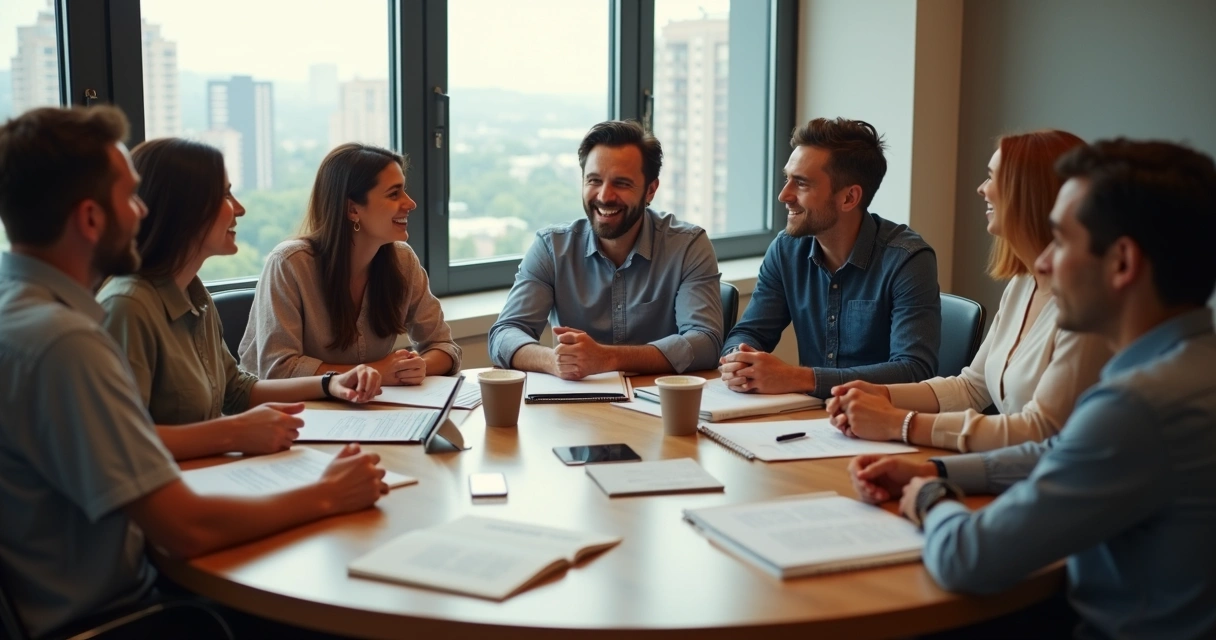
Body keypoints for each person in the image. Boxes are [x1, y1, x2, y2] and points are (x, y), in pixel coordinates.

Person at [0, 106, 390, 638]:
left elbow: (234, 389)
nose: (142, 213)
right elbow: (187, 527)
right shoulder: (65, 343)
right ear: (91, 219)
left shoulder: (21, 313)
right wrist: (329, 493)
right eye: (131, 199)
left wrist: (324, 385)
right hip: (120, 617)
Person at [848, 139, 1216, 638]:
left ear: (1122, 263)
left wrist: (930, 496)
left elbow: (970, 557)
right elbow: (1059, 452)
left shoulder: (1136, 406)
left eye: (1061, 242)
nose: (1042, 264)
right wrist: (935, 468)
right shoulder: (1191, 367)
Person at [96, 138, 382, 461]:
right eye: (225, 195)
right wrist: (235, 432)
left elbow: (236, 390)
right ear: (183, 207)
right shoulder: (127, 306)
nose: (240, 209)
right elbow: (120, 440)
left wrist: (330, 383)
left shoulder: (194, 292)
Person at [826, 131, 1111, 452]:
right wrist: (882, 394)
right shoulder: (1022, 283)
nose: (982, 188)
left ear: (1029, 193)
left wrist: (900, 423)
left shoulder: (1088, 308)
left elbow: (1040, 429)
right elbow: (972, 387)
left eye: (992, 177)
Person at [719, 117, 940, 398]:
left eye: (801, 183)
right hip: (808, 421)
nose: (783, 195)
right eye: (787, 179)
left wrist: (799, 378)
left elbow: (914, 370)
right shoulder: (787, 249)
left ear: (849, 198)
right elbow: (749, 332)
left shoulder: (908, 260)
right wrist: (738, 360)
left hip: (881, 425)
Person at [487, 120, 722, 379]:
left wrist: (606, 358)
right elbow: (504, 334)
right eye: (594, 180)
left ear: (650, 190)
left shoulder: (688, 246)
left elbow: (705, 343)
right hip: (576, 408)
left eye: (621, 183)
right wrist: (552, 360)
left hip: (661, 406)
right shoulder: (551, 248)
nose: (604, 196)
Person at [239, 143, 461, 384]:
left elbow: (444, 347)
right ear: (352, 209)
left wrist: (419, 366)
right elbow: (277, 369)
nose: (410, 203)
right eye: (394, 194)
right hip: (289, 415)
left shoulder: (403, 260)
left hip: (365, 412)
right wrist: (374, 372)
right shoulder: (289, 264)